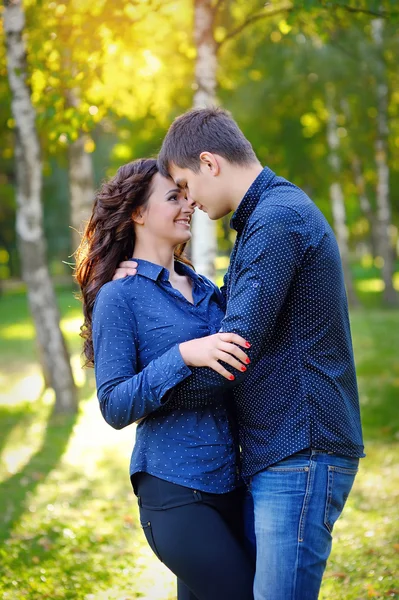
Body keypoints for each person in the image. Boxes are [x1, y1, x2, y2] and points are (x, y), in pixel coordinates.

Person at [113, 107, 365, 600]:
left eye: (186, 185)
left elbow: (234, 351)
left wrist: (153, 396)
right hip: (281, 450)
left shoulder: (276, 221)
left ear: (209, 163)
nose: (190, 202)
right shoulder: (267, 218)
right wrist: (146, 281)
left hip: (301, 446)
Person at [74, 158, 255, 600]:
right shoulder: (120, 296)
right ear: (137, 213)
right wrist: (182, 356)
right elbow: (114, 404)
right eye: (173, 197)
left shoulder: (209, 291)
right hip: (174, 492)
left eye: (186, 194)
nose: (188, 204)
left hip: (233, 483)